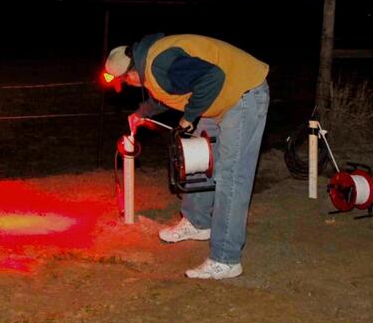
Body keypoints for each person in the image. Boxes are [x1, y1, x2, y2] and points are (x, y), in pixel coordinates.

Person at [104, 33, 269, 280]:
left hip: (243, 93)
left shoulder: (159, 63)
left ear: (131, 72)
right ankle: (198, 222)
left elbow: (214, 77)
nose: (128, 85)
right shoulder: (150, 61)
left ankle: (226, 259)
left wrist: (188, 118)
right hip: (218, 97)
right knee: (199, 157)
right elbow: (173, 88)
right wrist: (142, 112)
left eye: (126, 81)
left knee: (230, 176)